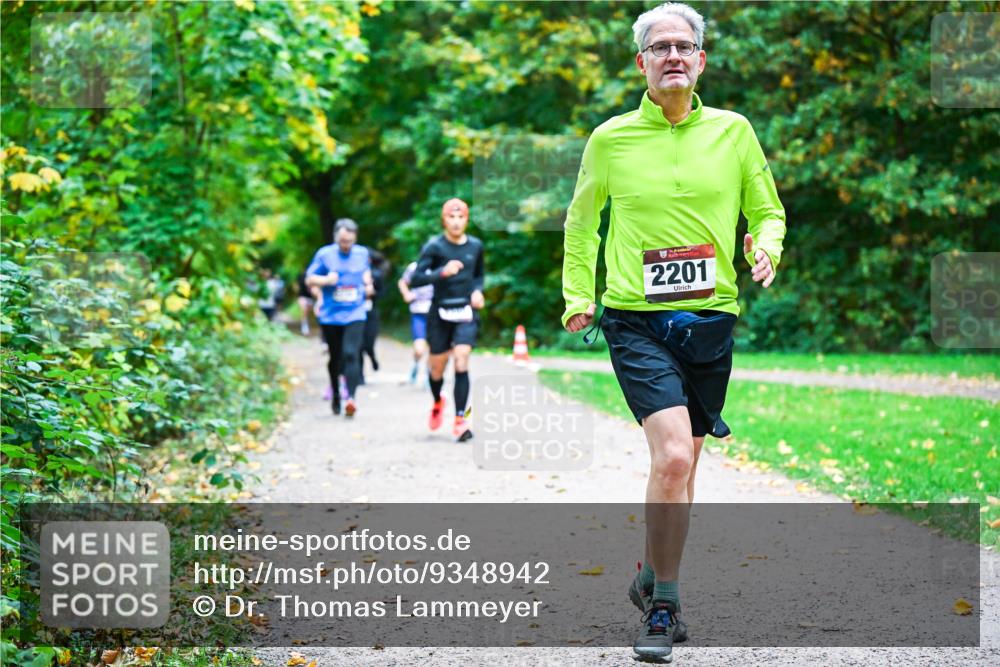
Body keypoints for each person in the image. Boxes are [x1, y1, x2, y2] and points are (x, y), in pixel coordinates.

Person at [561, 3, 786, 662]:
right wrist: (579, 295)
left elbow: (766, 208)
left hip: (711, 317)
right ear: (641, 63)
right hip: (635, 318)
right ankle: (666, 606)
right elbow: (582, 223)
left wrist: (765, 245)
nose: (673, 56)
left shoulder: (734, 132)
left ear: (702, 60)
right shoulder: (610, 139)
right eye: (659, 47)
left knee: (681, 469)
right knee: (676, 457)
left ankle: (650, 572)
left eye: (684, 46)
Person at [407, 198, 484, 442]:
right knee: (437, 368)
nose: (456, 221)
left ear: (467, 220)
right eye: (451, 217)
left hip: (465, 312)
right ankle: (438, 399)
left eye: (461, 217)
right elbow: (416, 279)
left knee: (462, 359)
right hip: (439, 313)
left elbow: (478, 276)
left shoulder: (476, 246)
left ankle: (461, 420)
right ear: (444, 220)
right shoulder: (434, 247)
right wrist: (442, 272)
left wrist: (477, 291)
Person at [306, 218, 374, 417]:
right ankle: (336, 393)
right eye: (343, 241)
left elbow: (365, 272)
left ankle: (350, 399)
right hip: (331, 315)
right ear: (336, 237)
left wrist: (368, 284)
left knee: (351, 353)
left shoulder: (362, 253)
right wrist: (326, 280)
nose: (346, 246)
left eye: (350, 242)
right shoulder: (325, 254)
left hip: (355, 311)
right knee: (335, 357)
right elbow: (310, 278)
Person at [398, 260, 435, 386]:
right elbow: (402, 281)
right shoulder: (414, 267)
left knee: (433, 347)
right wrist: (406, 294)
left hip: (436, 313)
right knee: (419, 349)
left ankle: (428, 376)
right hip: (418, 312)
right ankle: (415, 364)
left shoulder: (441, 266)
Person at [361, 250, 390, 382]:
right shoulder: (351, 274)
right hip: (354, 313)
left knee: (368, 343)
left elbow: (383, 293)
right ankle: (359, 375)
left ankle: (372, 357)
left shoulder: (376, 275)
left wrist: (372, 292)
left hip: (371, 312)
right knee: (358, 345)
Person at [296, 270, 317, 336]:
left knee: (308, 312)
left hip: (310, 298)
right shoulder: (301, 276)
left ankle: (307, 325)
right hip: (302, 296)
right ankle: (304, 327)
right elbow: (297, 286)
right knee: (304, 312)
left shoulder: (313, 276)